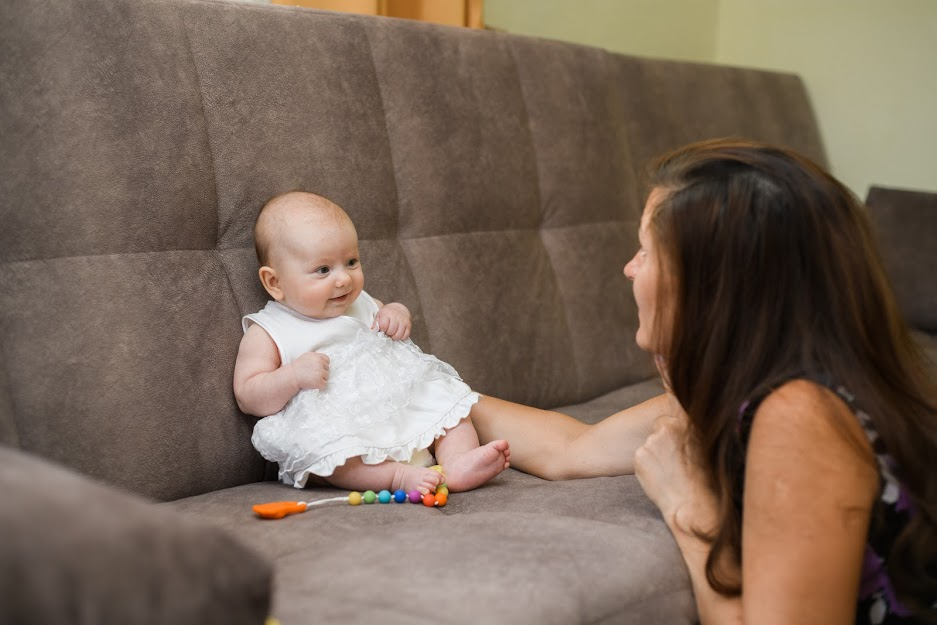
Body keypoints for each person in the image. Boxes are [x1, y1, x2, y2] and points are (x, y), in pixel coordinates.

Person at [471, 139, 937, 624]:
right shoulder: (752, 389)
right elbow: (569, 450)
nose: (629, 269)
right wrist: (418, 387)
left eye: (647, 252)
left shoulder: (802, 416)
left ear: (713, 288)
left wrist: (686, 503)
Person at [233, 191, 510, 495]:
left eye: (351, 262)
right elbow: (248, 394)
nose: (344, 279)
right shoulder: (270, 330)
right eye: (323, 270)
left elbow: (385, 313)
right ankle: (395, 477)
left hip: (398, 400)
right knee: (333, 459)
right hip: (340, 421)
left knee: (449, 405)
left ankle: (457, 461)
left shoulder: (360, 303)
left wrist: (396, 313)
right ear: (275, 282)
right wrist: (292, 376)